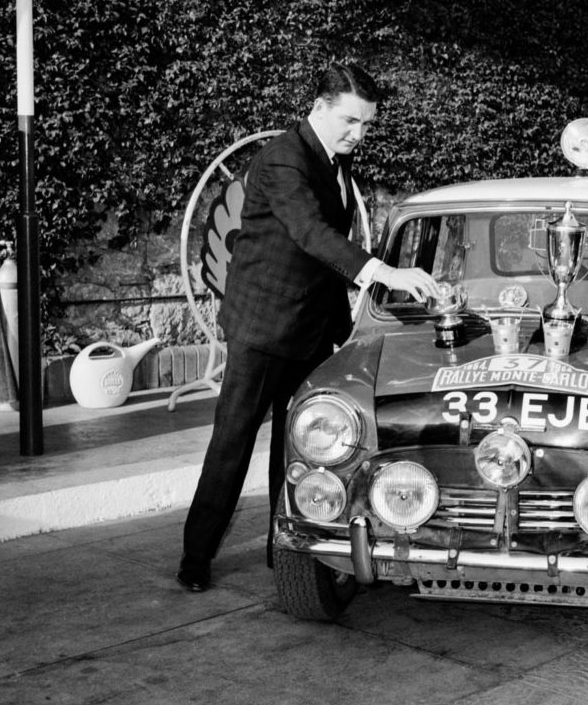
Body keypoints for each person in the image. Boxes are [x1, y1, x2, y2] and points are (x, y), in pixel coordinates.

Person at [176, 62, 442, 593]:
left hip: (315, 329)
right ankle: (195, 559)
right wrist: (383, 273)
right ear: (318, 107)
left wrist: (344, 329)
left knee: (298, 449)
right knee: (232, 444)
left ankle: (288, 550)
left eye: (366, 125)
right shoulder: (281, 161)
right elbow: (311, 234)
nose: (358, 134)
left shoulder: (337, 160)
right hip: (262, 329)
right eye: (349, 121)